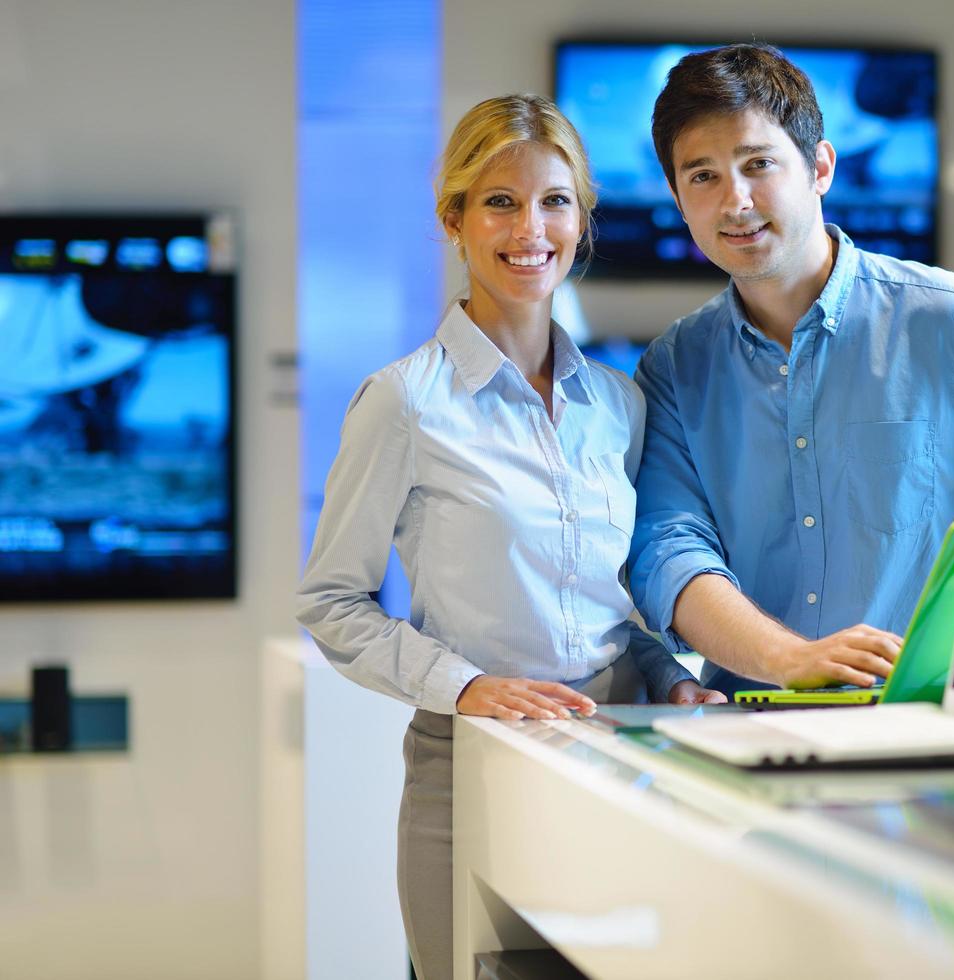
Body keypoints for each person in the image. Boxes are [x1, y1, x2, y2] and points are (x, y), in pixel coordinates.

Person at [296, 94, 723, 980]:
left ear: (581, 220)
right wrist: (470, 686)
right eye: (500, 201)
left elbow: (619, 603)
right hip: (470, 770)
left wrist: (670, 679)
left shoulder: (620, 404)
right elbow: (331, 602)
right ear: (453, 218)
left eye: (554, 201)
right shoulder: (405, 401)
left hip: (615, 763)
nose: (530, 228)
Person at [629, 44, 954, 698]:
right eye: (702, 176)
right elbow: (670, 554)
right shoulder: (674, 368)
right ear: (675, 195)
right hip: (756, 737)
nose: (736, 201)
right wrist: (789, 659)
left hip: (941, 730)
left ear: (819, 168)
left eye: (759, 164)